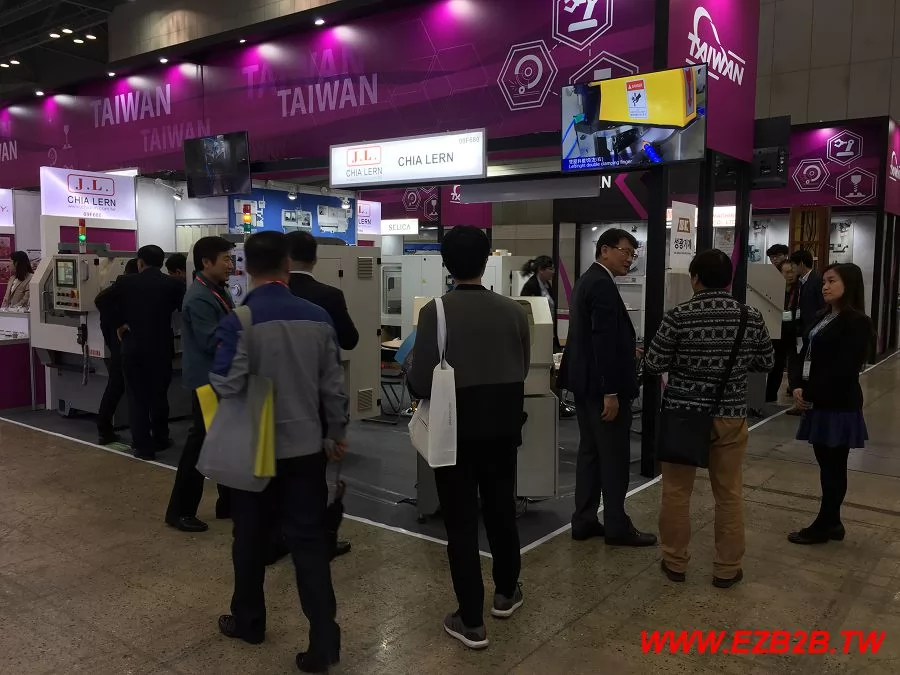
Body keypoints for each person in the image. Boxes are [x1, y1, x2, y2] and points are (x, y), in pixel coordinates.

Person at [211, 231, 348, 673]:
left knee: (249, 538)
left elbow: (226, 383)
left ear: (245, 267)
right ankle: (323, 641)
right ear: (288, 264)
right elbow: (334, 387)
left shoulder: (240, 320)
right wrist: (336, 434)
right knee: (309, 543)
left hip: (256, 451)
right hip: (307, 449)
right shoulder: (319, 318)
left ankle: (249, 621)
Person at [408, 225, 530, 651]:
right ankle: (506, 593)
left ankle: (471, 621)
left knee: (460, 523)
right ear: (486, 260)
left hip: (454, 431)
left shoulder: (435, 312)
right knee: (501, 509)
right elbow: (522, 366)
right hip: (503, 426)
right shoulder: (515, 310)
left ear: (446, 263)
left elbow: (421, 381)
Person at [645, 249, 774, 588]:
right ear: (729, 280)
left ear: (695, 278)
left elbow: (654, 364)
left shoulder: (678, 316)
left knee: (676, 492)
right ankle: (727, 568)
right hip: (730, 415)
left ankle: (675, 562)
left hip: (683, 416)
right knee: (729, 493)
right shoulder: (750, 316)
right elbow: (766, 362)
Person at [558, 228, 655, 547]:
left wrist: (626, 348)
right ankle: (616, 526)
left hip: (585, 385)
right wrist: (610, 391)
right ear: (604, 250)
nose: (630, 259)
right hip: (603, 389)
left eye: (633, 254)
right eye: (625, 252)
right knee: (613, 457)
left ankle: (584, 520)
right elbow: (600, 341)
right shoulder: (601, 283)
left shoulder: (587, 280)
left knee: (590, 453)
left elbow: (591, 337)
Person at [788, 263, 873, 546]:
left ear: (849, 284)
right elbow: (804, 353)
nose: (825, 286)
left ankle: (823, 525)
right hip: (818, 400)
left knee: (834, 466)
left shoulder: (856, 322)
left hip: (838, 403)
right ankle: (833, 522)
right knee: (827, 465)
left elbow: (845, 368)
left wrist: (810, 392)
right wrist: (797, 384)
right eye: (824, 281)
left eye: (832, 281)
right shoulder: (823, 316)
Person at [165, 237, 235, 533]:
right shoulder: (199, 297)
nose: (231, 264)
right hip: (207, 382)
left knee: (222, 442)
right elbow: (212, 341)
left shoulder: (218, 290)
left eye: (231, 259)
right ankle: (180, 511)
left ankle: (228, 502)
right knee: (201, 444)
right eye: (226, 259)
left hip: (219, 378)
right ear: (206, 262)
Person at [96, 245, 185, 460]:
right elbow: (183, 310)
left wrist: (120, 323)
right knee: (159, 395)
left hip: (133, 346)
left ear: (140, 262)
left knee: (137, 397)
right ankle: (161, 438)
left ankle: (143, 446)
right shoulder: (174, 284)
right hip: (161, 346)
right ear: (162, 263)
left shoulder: (126, 282)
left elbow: (101, 301)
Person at [520, 255, 574, 418]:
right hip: (539, 335)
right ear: (541, 270)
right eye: (550, 269)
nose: (553, 272)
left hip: (550, 334)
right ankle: (554, 403)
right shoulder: (530, 286)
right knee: (548, 369)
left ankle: (558, 402)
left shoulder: (547, 285)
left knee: (556, 368)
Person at [286, 231, 359, 351]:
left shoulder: (272, 294)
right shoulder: (331, 295)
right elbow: (349, 341)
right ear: (315, 260)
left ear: (285, 260)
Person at [95, 258, 138, 445]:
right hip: (123, 348)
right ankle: (106, 428)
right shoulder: (124, 292)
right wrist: (122, 324)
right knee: (122, 389)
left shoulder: (112, 293)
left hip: (116, 348)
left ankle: (104, 428)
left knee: (115, 388)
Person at [787, 250, 826, 414]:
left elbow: (822, 307)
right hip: (800, 330)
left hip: (810, 331)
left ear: (801, 264)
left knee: (805, 368)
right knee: (797, 364)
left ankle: (804, 402)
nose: (792, 269)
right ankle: (800, 400)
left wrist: (813, 327)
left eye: (793, 265)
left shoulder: (816, 281)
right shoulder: (800, 282)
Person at [765, 261, 799, 403]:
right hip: (775, 331)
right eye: (786, 272)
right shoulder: (773, 289)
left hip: (793, 332)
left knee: (788, 365)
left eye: (792, 272)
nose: (790, 275)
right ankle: (769, 396)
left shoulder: (799, 290)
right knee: (775, 365)